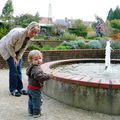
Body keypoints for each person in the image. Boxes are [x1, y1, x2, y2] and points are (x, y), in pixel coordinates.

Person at [0, 21, 40, 97]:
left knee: (19, 69)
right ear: (28, 28)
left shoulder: (30, 38)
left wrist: (18, 58)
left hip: (16, 50)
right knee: (14, 69)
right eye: (32, 32)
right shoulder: (18, 33)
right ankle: (13, 89)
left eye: (36, 33)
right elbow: (9, 45)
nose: (33, 34)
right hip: (5, 48)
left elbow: (23, 49)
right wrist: (14, 57)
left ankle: (20, 88)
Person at [26, 50, 52, 118]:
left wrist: (44, 74)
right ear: (31, 61)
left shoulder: (30, 66)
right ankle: (36, 113)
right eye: (36, 59)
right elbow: (39, 76)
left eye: (40, 58)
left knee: (31, 100)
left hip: (30, 87)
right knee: (37, 101)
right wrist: (49, 76)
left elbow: (35, 74)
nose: (38, 60)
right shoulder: (37, 67)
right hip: (35, 88)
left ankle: (30, 111)